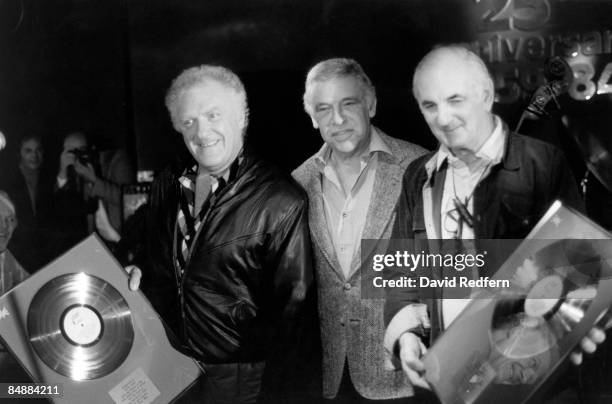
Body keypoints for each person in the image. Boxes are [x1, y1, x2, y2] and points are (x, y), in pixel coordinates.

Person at [383, 45, 604, 396]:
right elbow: (401, 269)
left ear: (486, 96)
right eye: (429, 105)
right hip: (452, 378)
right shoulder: (417, 176)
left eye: (455, 100)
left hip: (532, 376)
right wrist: (405, 335)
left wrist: (583, 319)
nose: (442, 118)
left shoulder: (544, 163)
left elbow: (584, 266)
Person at [121, 65, 312, 404]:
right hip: (167, 357)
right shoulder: (170, 179)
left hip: (237, 374)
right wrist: (135, 264)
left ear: (242, 117)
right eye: (189, 121)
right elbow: (143, 240)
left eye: (213, 115)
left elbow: (292, 310)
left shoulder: (281, 199)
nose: (201, 131)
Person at [293, 58, 427, 403]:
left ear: (371, 104)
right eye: (323, 109)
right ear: (312, 117)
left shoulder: (421, 168)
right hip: (333, 377)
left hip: (406, 373)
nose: (337, 120)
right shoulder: (298, 183)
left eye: (348, 104)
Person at [0, 134, 54, 271]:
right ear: (19, 153)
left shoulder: (49, 179)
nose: (34, 156)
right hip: (15, 257)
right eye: (28, 151)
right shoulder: (6, 180)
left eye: (38, 150)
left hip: (45, 257)